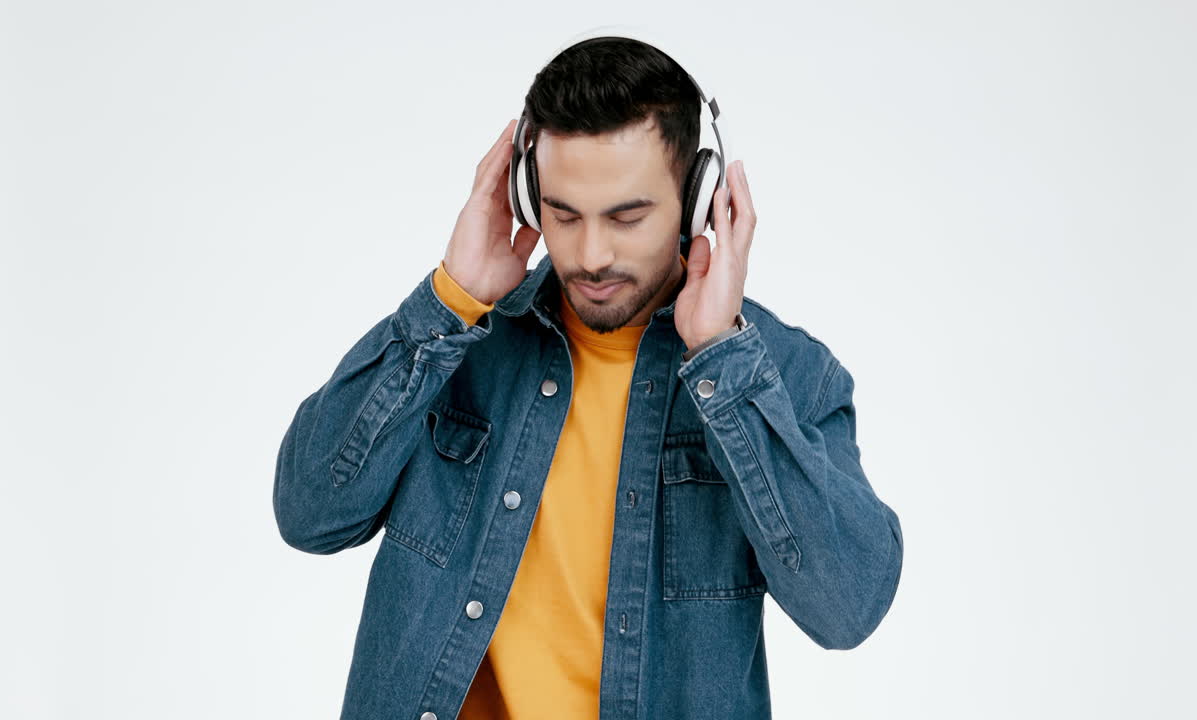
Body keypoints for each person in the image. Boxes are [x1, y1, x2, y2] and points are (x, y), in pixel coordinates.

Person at [273, 32, 903, 720]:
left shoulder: (785, 374)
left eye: (627, 217)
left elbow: (848, 608)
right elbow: (310, 514)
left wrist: (722, 358)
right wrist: (449, 302)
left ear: (699, 202)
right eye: (563, 215)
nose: (591, 254)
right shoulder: (460, 337)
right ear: (523, 194)